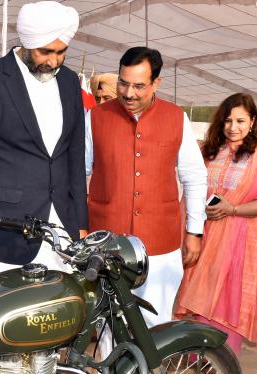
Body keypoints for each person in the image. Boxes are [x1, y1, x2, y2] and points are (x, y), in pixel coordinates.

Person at [0, 1, 87, 287]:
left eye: (61, 52)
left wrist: (80, 222)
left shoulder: (71, 82)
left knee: (57, 313)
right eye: (45, 51)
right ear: (26, 43)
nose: (53, 61)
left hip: (60, 227)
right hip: (3, 227)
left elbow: (74, 156)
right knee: (1, 319)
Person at [86, 47, 207, 332]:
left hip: (160, 242)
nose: (129, 93)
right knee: (108, 324)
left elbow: (194, 177)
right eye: (123, 83)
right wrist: (80, 227)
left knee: (156, 322)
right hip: (107, 241)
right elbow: (78, 175)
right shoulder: (95, 118)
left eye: (139, 86)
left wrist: (194, 231)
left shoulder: (176, 118)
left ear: (156, 83)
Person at [174, 93, 257, 354]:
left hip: (237, 238)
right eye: (227, 120)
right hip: (203, 235)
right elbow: (191, 190)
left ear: (252, 122)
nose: (233, 127)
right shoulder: (208, 151)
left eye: (240, 120)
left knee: (228, 296)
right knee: (199, 291)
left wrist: (232, 208)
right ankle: (195, 354)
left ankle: (221, 359)